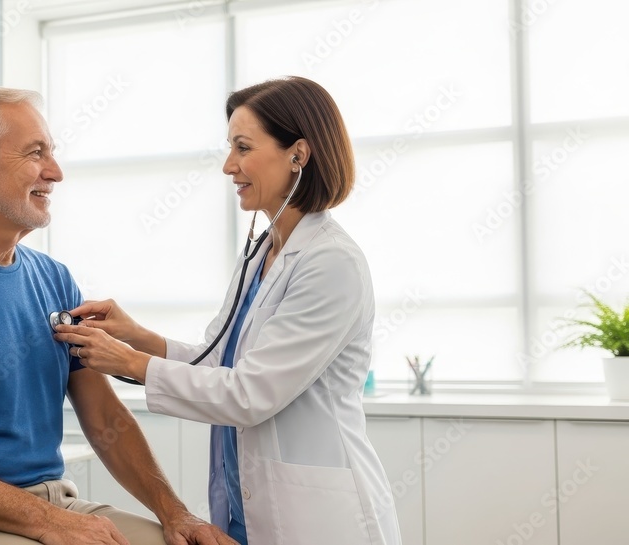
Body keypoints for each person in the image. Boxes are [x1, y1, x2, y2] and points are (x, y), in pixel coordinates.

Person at [0, 87, 236, 545]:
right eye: (36, 153)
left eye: (52, 153)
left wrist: (176, 514)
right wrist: (49, 523)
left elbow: (103, 418)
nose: (55, 173)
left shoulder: (54, 279)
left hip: (54, 500)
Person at [53, 77, 402, 545]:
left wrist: (127, 361)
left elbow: (250, 394)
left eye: (242, 147)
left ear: (298, 154)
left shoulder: (331, 262)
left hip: (317, 514)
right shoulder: (260, 254)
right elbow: (218, 361)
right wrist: (136, 335)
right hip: (247, 501)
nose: (228, 166)